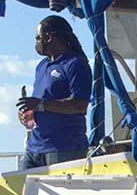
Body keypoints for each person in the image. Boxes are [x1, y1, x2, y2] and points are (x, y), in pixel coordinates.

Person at [16, 15, 93, 170]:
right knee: (23, 192)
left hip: (64, 149)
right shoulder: (41, 67)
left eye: (37, 37)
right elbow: (41, 103)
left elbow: (80, 105)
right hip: (34, 150)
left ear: (49, 37)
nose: (36, 42)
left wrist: (41, 104)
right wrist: (28, 113)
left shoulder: (75, 64)